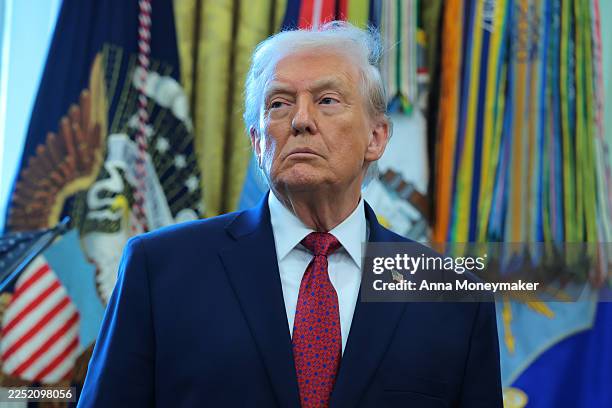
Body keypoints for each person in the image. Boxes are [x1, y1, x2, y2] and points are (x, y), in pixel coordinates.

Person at [78, 22, 502, 407]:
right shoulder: (160, 269)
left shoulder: (452, 294)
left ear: (376, 137)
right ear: (257, 140)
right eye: (279, 104)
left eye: (327, 100)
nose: (301, 120)